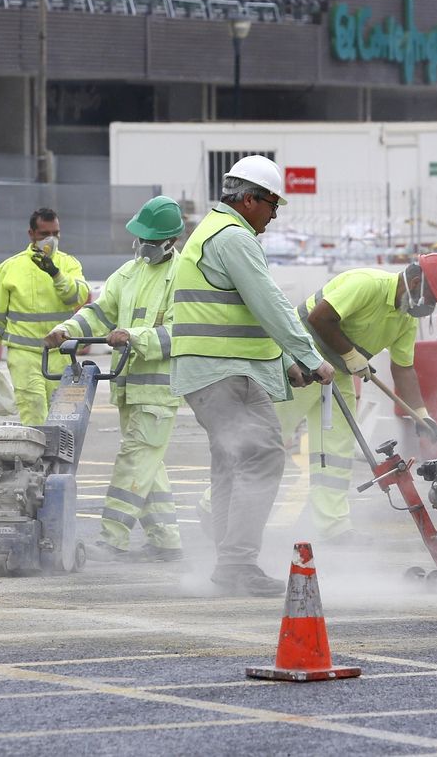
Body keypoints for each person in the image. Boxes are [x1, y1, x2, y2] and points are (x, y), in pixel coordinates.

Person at [168, 155, 333, 597]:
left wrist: (284, 365)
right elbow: (269, 304)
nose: (275, 214)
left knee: (231, 463)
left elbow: (241, 314)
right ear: (248, 199)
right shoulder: (234, 238)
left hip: (212, 371)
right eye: (272, 204)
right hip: (222, 372)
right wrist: (310, 356)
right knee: (261, 456)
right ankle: (236, 564)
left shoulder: (209, 232)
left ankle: (227, 560)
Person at [274, 255, 437, 543]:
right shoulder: (367, 284)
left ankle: (333, 527)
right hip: (300, 360)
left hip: (337, 372)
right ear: (414, 283)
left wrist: (421, 414)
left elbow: (404, 368)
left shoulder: (404, 320)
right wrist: (351, 354)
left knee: (336, 450)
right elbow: (319, 317)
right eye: (432, 300)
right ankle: (219, 507)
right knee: (267, 437)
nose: (430, 308)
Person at [47, 196, 186, 563]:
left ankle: (112, 537)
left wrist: (134, 336)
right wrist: (66, 330)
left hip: (158, 393)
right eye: (141, 238)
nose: (144, 245)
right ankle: (167, 539)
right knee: (147, 465)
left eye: (151, 240)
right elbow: (99, 311)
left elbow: (182, 333)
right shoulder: (129, 272)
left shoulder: (183, 276)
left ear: (170, 241)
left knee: (133, 460)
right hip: (128, 388)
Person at [0, 208, 89, 426]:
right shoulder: (10, 268)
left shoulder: (69, 264)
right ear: (31, 234)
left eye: (56, 233)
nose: (51, 239)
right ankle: (35, 461)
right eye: (44, 234)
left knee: (61, 418)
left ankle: (58, 461)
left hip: (60, 354)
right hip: (24, 357)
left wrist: (56, 274)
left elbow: (78, 296)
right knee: (34, 412)